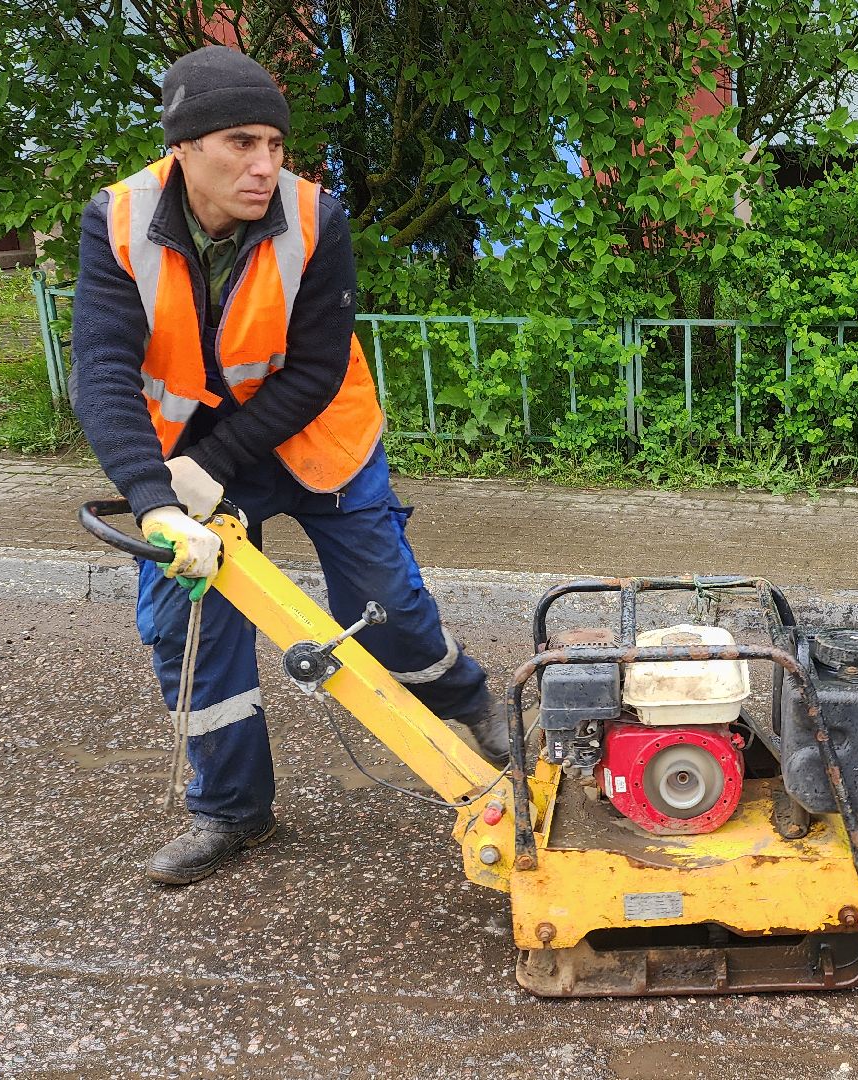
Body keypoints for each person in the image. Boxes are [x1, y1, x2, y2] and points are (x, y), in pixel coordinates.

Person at [70, 45, 507, 886]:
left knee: (383, 605)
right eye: (241, 143)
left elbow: (312, 369)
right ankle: (234, 811)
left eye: (274, 144)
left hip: (315, 434)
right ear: (186, 147)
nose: (265, 165)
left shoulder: (316, 218)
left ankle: (472, 708)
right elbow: (104, 368)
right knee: (187, 626)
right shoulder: (118, 220)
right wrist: (156, 497)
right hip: (187, 451)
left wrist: (212, 462)